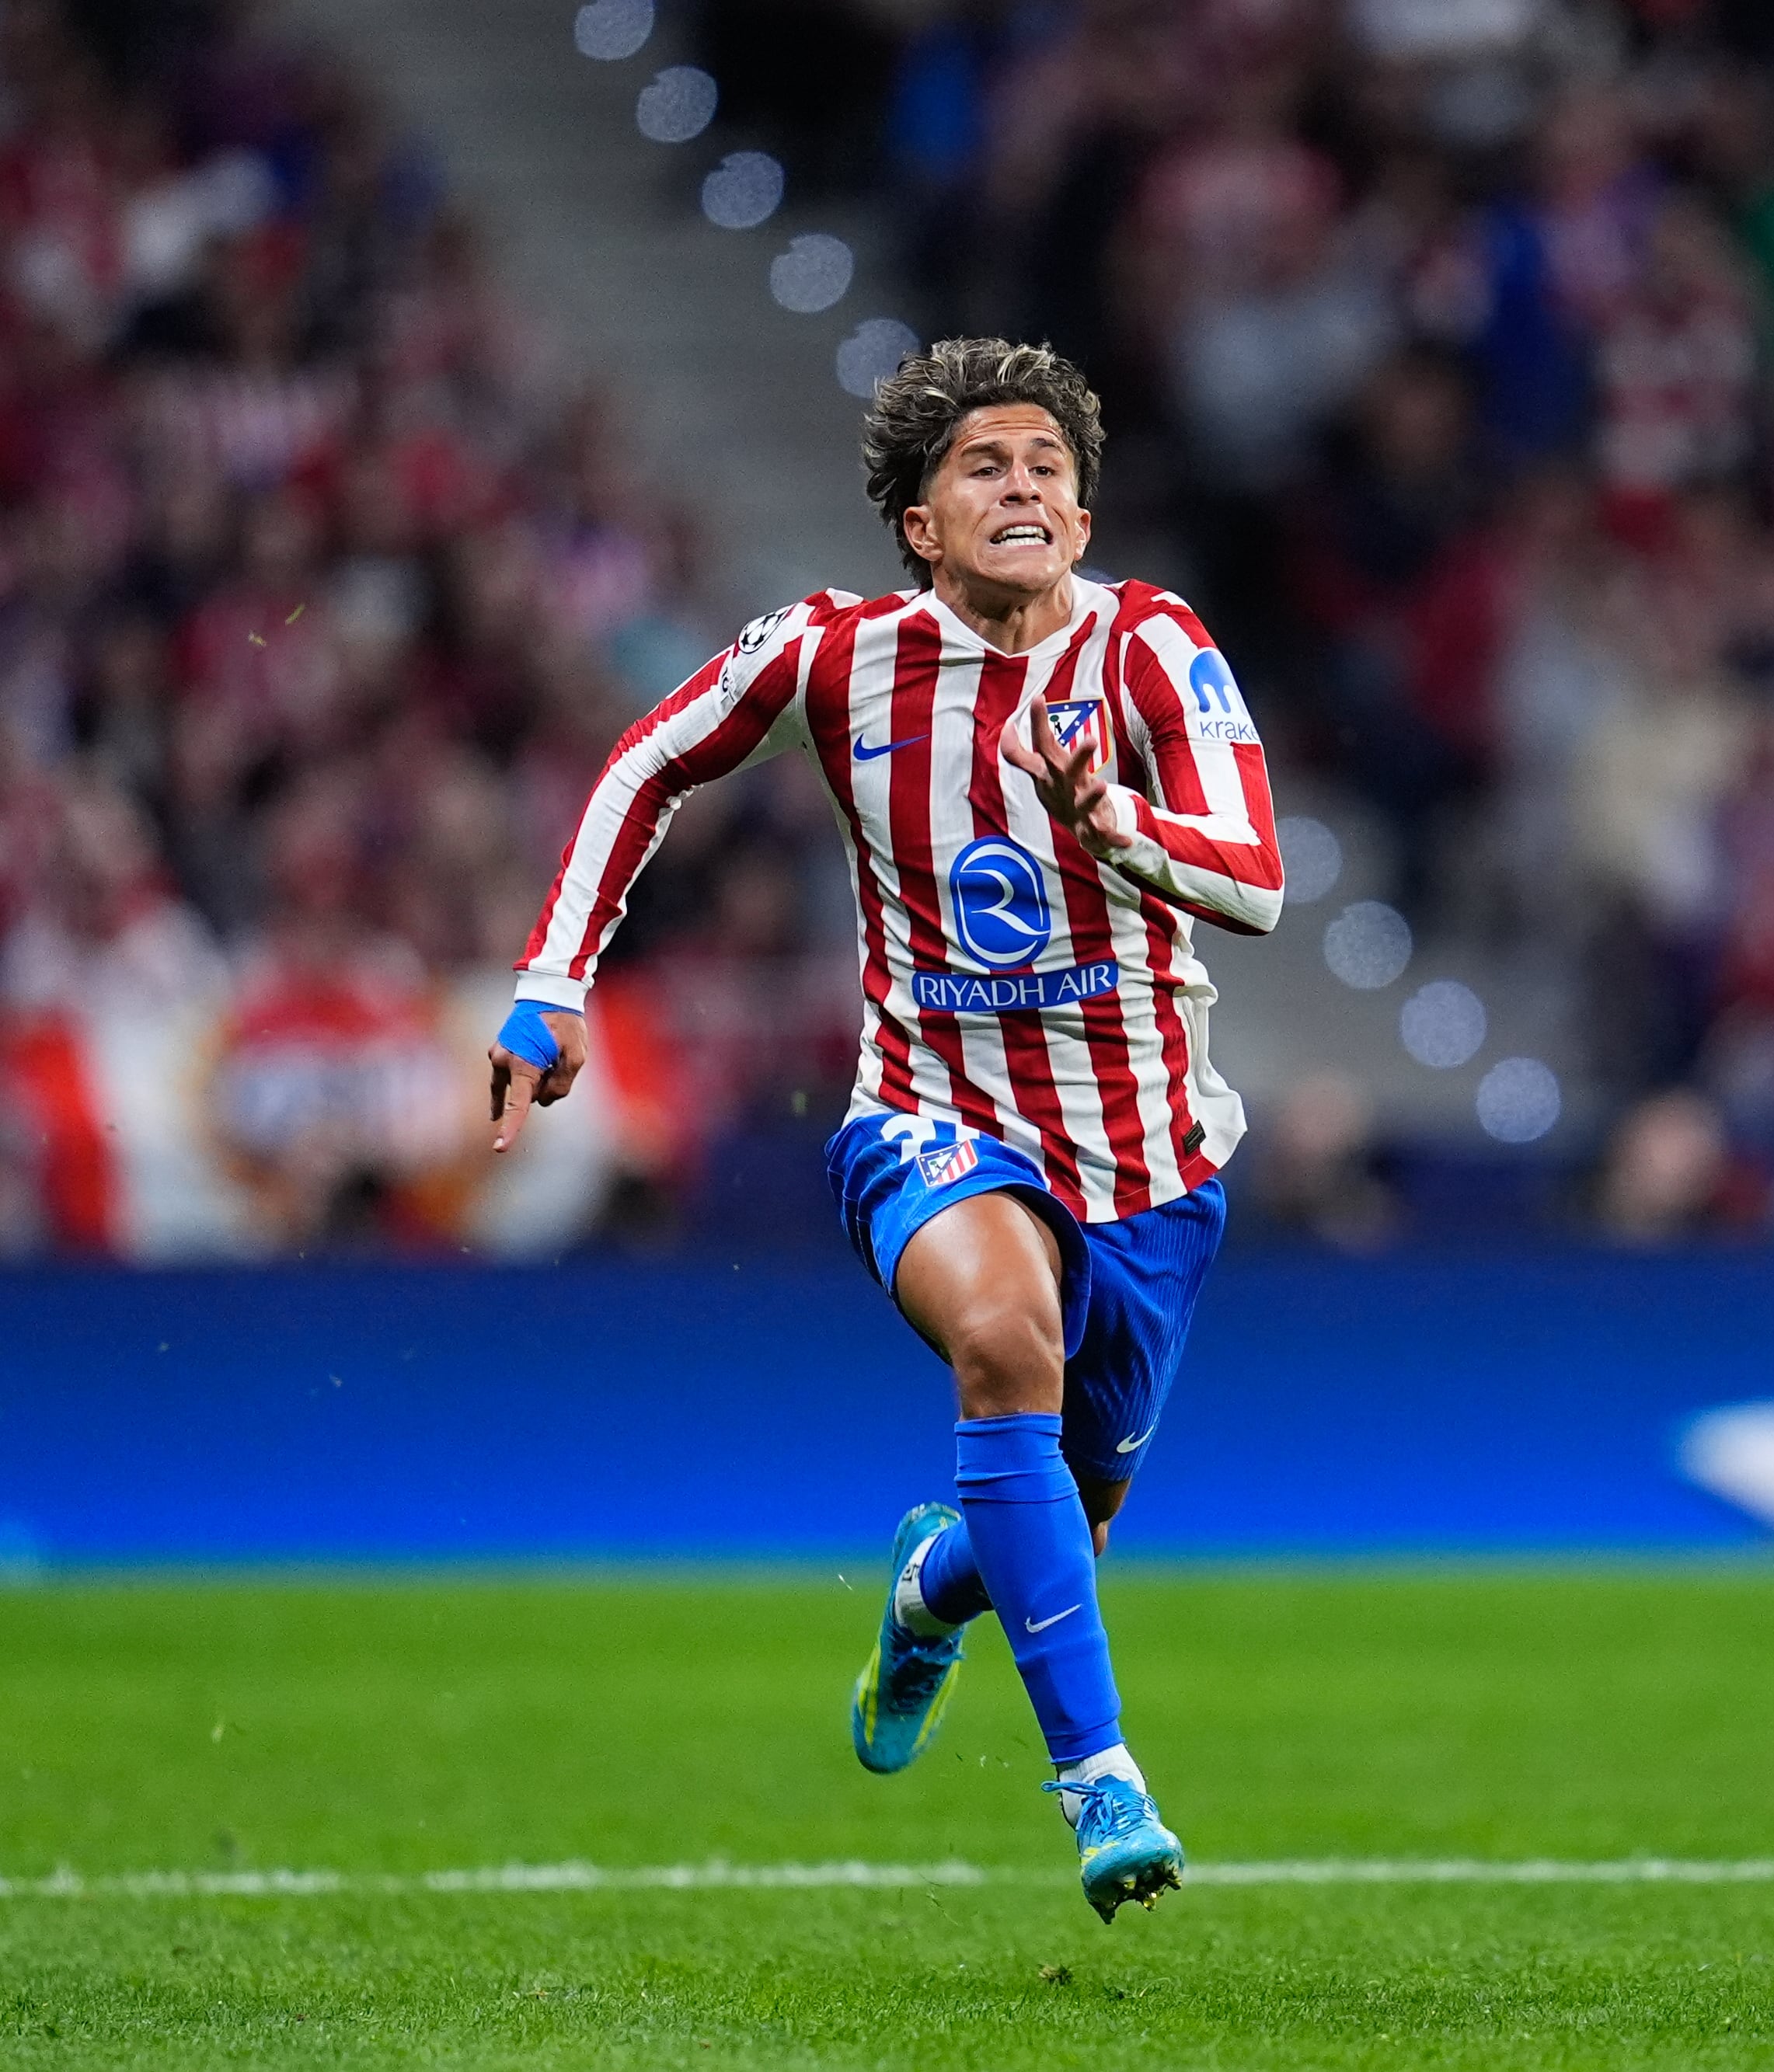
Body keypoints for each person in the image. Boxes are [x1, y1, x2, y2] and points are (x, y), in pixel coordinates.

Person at [482, 339, 1283, 1921]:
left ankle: (927, 1593)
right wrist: (552, 977)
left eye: (1049, 465)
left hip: (1151, 1163)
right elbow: (649, 760)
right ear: (918, 521)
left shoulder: (1154, 650)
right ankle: (1100, 1778)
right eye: (986, 465)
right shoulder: (830, 658)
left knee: (1062, 1504)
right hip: (928, 1114)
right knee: (1002, 1340)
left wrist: (1101, 815)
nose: (1026, 487)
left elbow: (1254, 880)